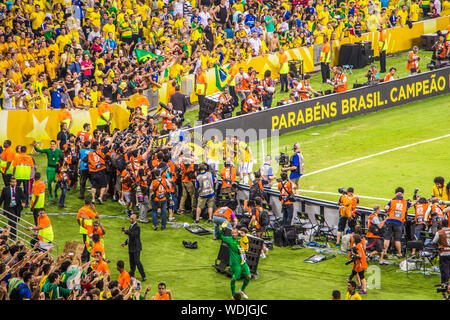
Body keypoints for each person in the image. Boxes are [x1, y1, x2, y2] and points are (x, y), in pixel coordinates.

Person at [217, 222, 251, 299]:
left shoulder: (240, 239)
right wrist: (222, 229)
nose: (233, 234)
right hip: (235, 263)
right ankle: (233, 295)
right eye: (232, 233)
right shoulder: (229, 240)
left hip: (243, 262)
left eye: (235, 233)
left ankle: (242, 290)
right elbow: (220, 236)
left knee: (248, 276)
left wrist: (246, 248)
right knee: (234, 279)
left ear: (237, 233)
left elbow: (246, 243)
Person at [383, 188, 416, 258]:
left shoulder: (392, 201)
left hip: (390, 220)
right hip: (399, 222)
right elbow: (412, 204)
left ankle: (385, 252)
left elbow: (386, 208)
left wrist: (387, 209)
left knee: (387, 238)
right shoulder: (405, 202)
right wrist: (417, 200)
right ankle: (400, 253)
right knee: (397, 239)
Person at [121, 214, 146, 282]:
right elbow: (130, 237)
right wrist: (125, 243)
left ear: (135, 219)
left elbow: (133, 234)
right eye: (130, 218)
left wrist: (126, 231)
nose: (130, 220)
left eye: (132, 219)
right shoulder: (131, 226)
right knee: (131, 262)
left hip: (136, 247)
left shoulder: (137, 227)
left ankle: (143, 275)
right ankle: (132, 274)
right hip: (131, 247)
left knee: (137, 262)